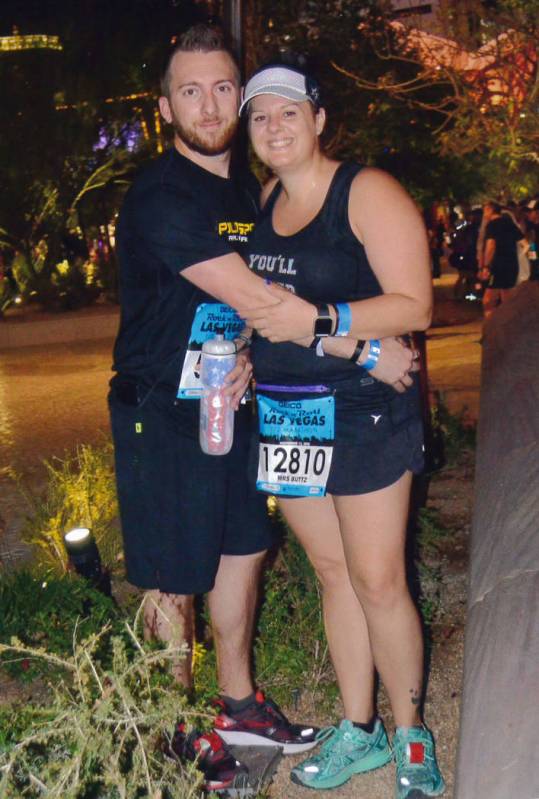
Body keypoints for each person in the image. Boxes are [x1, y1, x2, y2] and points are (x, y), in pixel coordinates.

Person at [109, 25, 414, 792]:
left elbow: (259, 273)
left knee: (242, 551)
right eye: (190, 90)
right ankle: (175, 734)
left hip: (233, 403)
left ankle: (239, 703)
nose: (208, 105)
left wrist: (250, 354)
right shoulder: (162, 194)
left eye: (222, 90)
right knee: (173, 578)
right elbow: (252, 293)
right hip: (163, 412)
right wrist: (363, 347)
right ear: (163, 105)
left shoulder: (246, 193)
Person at [238, 62, 446, 798]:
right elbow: (264, 309)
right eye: (259, 116)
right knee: (332, 572)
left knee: (378, 578)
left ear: (319, 119)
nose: (274, 127)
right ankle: (358, 729)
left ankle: (410, 736)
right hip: (287, 412)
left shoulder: (366, 191)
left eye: (288, 112)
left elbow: (414, 304)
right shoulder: (265, 198)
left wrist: (329, 324)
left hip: (361, 410)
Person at [479, 201, 525, 317]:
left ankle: (491, 328)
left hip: (497, 266)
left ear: (490, 210)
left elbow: (491, 246)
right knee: (507, 299)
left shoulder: (492, 225)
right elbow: (525, 243)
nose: (484, 215)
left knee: (488, 301)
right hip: (512, 265)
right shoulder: (509, 223)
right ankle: (509, 326)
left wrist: (486, 266)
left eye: (485, 211)